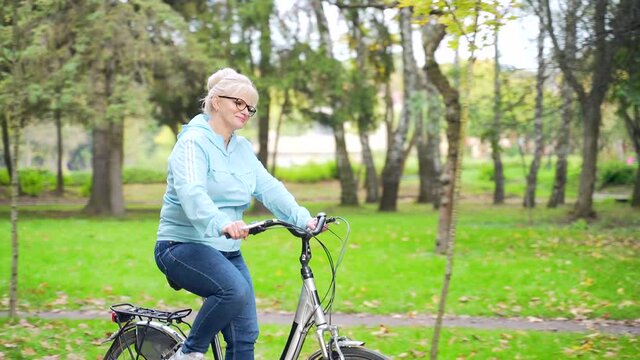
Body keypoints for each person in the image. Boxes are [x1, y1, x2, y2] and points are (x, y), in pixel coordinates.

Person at [154, 68, 318, 360]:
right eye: (239, 103)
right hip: (181, 245)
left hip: (227, 250)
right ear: (216, 102)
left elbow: (269, 188)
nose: (246, 111)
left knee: (245, 337)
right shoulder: (192, 143)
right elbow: (192, 193)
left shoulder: (241, 148)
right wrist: (222, 223)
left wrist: (303, 219)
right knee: (234, 290)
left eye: (250, 107)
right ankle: (189, 353)